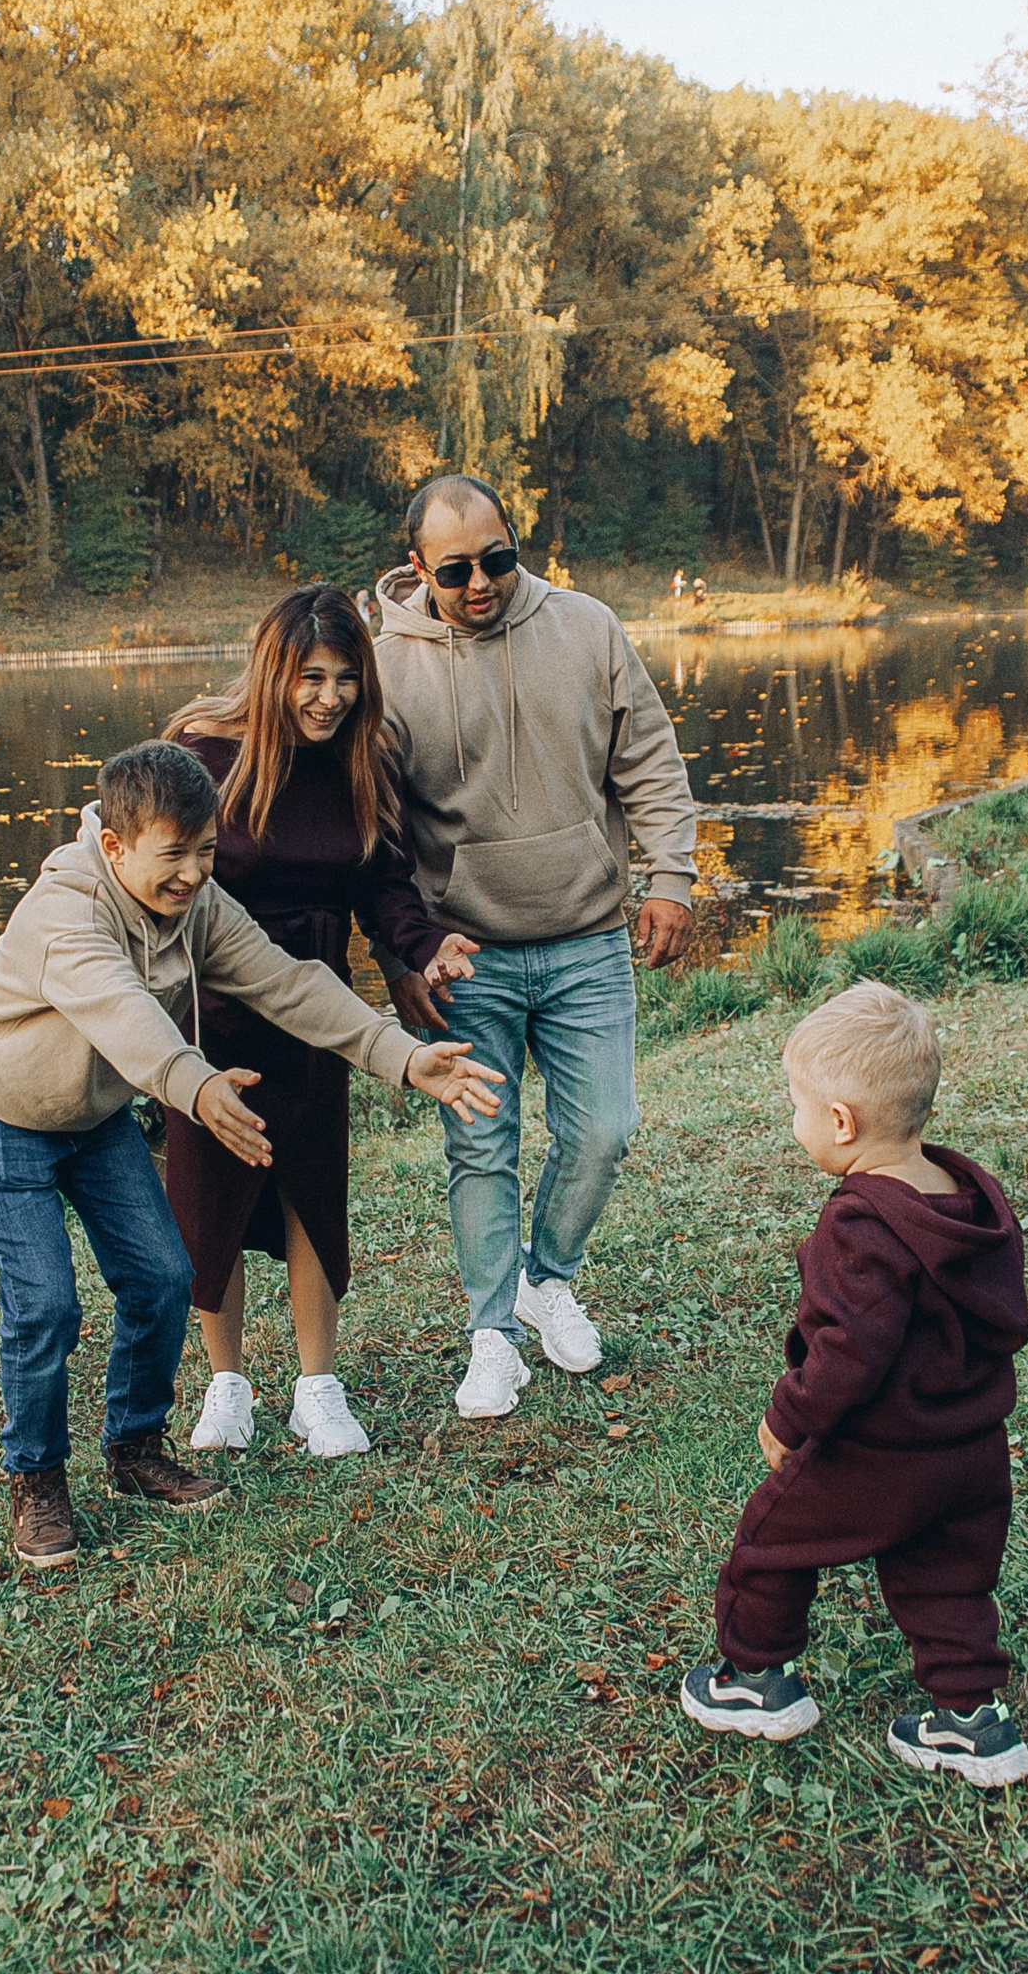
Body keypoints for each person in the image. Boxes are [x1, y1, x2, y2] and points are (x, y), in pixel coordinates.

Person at [0, 739, 505, 1568]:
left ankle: (133, 1447)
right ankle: (38, 1479)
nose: (195, 873)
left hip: (88, 1114)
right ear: (117, 847)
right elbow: (125, 1012)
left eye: (206, 851)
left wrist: (399, 1055)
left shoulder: (194, 901)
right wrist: (196, 1087)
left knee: (163, 1275)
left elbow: (286, 981)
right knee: (46, 1302)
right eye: (176, 855)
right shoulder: (67, 912)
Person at [370, 474, 697, 1420]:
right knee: (482, 1147)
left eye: (500, 560)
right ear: (419, 567)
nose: (482, 585)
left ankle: (544, 1278)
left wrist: (669, 878)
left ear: (519, 543)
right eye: (457, 570)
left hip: (589, 936)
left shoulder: (588, 627)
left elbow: (651, 764)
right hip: (467, 954)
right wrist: (403, 959)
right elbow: (378, 836)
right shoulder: (387, 666)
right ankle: (491, 1334)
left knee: (603, 1132)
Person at [678, 982, 1028, 1788]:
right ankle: (973, 1724)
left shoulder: (863, 1224)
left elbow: (848, 1350)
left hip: (879, 1453)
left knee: (771, 1545)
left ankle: (756, 1683)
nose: (795, 1123)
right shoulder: (965, 1200)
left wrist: (788, 1417)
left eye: (797, 1107)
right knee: (947, 1577)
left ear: (840, 1121)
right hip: (971, 1452)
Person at [162, 586, 480, 1460]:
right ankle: (226, 1387)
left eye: (344, 678)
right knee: (210, 1200)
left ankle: (318, 1388)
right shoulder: (204, 753)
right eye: (310, 677)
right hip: (215, 1012)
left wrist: (422, 947)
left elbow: (385, 888)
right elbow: (155, 873)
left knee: (312, 1194)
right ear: (273, 673)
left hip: (318, 1011)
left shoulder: (361, 761)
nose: (328, 697)